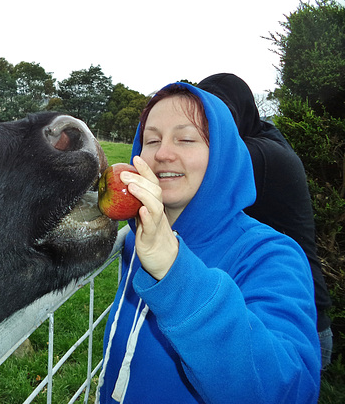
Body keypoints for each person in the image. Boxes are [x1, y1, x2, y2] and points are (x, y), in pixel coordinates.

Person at [96, 83, 320, 403]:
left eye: (186, 139)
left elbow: (289, 392)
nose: (162, 153)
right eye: (151, 140)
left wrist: (176, 274)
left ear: (223, 156)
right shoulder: (139, 238)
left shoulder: (271, 256)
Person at [198, 72, 332, 369]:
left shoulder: (259, 154)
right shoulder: (264, 137)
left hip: (295, 324)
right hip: (282, 304)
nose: (210, 127)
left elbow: (189, 174)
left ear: (239, 114)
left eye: (219, 115)